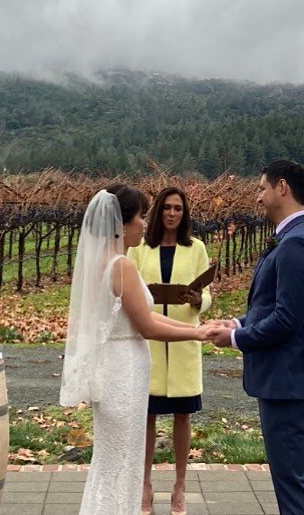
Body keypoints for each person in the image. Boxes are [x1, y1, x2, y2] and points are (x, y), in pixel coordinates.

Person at [60, 185, 211, 515]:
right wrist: (197, 333)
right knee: (122, 466)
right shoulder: (121, 266)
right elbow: (148, 326)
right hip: (123, 376)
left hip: (113, 370)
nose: (144, 224)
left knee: (111, 464)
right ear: (121, 224)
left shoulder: (102, 262)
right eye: (139, 217)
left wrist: (194, 328)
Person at [207, 160, 304, 515]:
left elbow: (286, 321)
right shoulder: (292, 238)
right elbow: (270, 306)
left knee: (292, 486)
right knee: (288, 482)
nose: (257, 198)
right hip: (282, 382)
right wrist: (235, 323)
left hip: (288, 383)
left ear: (282, 188)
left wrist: (235, 340)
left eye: (261, 188)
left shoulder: (297, 244)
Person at [128, 186, 211, 515]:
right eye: (167, 208)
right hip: (148, 339)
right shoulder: (140, 250)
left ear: (184, 213)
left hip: (183, 339)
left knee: (182, 415)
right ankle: (144, 484)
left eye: (178, 208)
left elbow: (207, 293)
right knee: (146, 416)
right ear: (159, 212)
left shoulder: (196, 249)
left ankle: (180, 484)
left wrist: (197, 300)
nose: (172, 213)